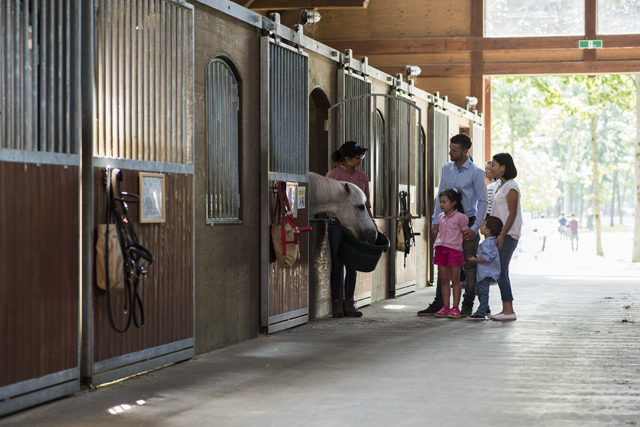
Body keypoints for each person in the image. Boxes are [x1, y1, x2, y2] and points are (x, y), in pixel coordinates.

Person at [418, 134, 488, 317]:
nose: (450, 152)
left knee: (469, 266)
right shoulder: (446, 168)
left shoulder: (476, 172)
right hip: (446, 223)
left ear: (465, 152)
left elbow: (483, 201)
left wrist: (475, 228)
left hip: (467, 224)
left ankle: (467, 304)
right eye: (450, 148)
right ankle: (440, 303)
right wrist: (435, 220)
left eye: (454, 150)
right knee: (444, 263)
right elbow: (440, 195)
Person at [326, 141, 374, 318]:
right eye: (357, 157)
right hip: (337, 224)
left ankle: (350, 302)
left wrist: (371, 223)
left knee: (352, 264)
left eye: (362, 156)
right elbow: (329, 202)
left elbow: (366, 203)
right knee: (337, 264)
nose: (361, 159)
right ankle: (336, 303)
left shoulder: (363, 176)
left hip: (356, 226)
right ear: (346, 158)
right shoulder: (333, 176)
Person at [488, 153, 522, 321]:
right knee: (501, 271)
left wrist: (502, 235)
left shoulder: (511, 187)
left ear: (503, 167)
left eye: (494, 165)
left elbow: (512, 213)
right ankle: (506, 309)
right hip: (500, 234)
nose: (491, 168)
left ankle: (509, 311)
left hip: (508, 235)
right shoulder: (498, 186)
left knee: (501, 272)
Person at [432, 189, 469, 319]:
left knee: (456, 280)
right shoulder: (440, 217)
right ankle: (446, 307)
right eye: (440, 202)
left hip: (454, 251)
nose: (441, 205)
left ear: (453, 202)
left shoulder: (461, 217)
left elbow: (465, 234)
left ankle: (455, 308)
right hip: (441, 249)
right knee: (444, 281)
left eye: (444, 202)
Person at [466, 216, 503, 320]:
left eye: (482, 225)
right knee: (479, 290)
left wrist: (474, 260)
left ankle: (481, 313)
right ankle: (485, 308)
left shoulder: (488, 243)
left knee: (482, 292)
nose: (480, 226)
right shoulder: (489, 241)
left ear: (488, 230)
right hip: (484, 272)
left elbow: (487, 258)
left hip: (486, 272)